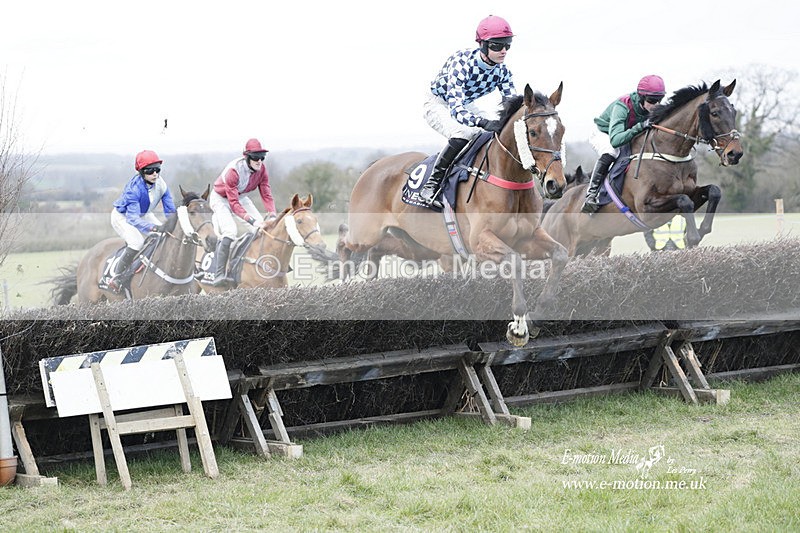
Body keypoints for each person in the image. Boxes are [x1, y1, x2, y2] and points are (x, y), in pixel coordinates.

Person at [420, 14, 517, 208]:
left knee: (496, 133)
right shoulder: (461, 63)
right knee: (463, 133)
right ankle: (432, 185)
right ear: (482, 45)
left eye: (507, 45)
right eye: (497, 46)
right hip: (439, 103)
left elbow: (511, 105)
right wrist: (483, 122)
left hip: (465, 103)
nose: (503, 51)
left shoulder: (503, 71)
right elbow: (456, 110)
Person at [581, 75, 667, 214]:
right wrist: (640, 126)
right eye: (652, 100)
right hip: (604, 133)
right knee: (611, 152)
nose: (656, 105)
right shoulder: (622, 106)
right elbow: (615, 140)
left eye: (660, 100)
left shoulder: (650, 107)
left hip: (625, 134)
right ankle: (591, 195)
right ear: (641, 97)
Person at [207, 138, 276, 286]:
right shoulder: (233, 171)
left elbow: (266, 194)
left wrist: (272, 214)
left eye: (262, 157)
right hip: (221, 199)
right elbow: (233, 204)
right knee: (230, 231)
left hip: (241, 197)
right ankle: (219, 274)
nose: (259, 161)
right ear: (247, 157)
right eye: (256, 157)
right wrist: (251, 220)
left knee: (262, 229)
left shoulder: (262, 170)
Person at [109, 149, 176, 292]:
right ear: (141, 172)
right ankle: (117, 277)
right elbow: (132, 218)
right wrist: (153, 228)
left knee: (165, 236)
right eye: (150, 171)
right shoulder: (134, 189)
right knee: (137, 242)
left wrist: (176, 224)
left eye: (157, 169)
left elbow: (170, 211)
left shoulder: (162, 185)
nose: (155, 174)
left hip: (143, 213)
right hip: (123, 216)